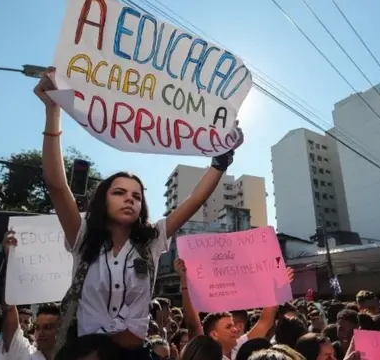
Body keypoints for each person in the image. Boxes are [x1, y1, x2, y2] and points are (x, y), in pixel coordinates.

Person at [31, 67, 243, 359]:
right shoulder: (82, 236)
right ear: (102, 201)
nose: (129, 199)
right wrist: (53, 110)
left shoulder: (153, 240)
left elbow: (194, 199)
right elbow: (57, 186)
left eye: (137, 196)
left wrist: (221, 160)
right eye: (119, 193)